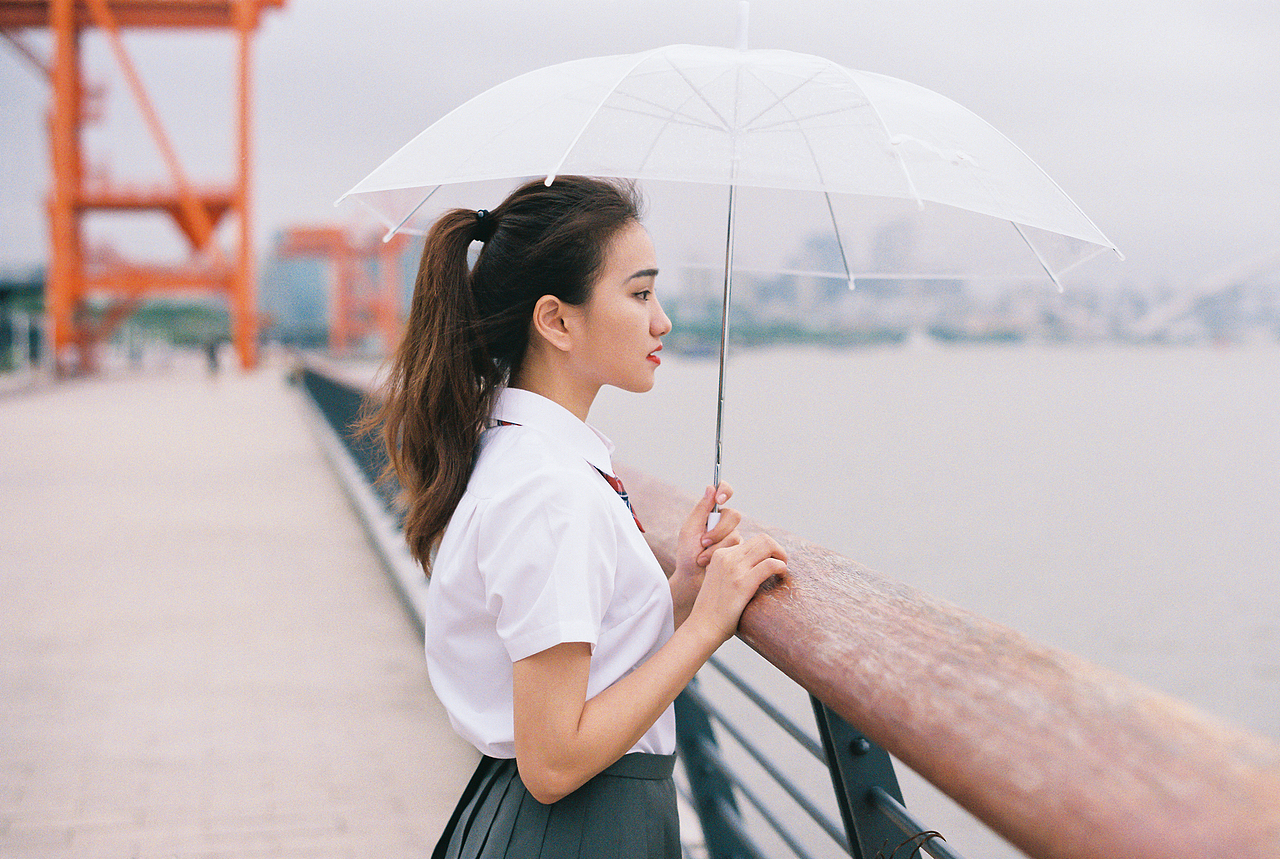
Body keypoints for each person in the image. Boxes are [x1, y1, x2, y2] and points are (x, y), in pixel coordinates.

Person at [363, 176, 787, 858]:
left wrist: (679, 591)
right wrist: (708, 625)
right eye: (640, 292)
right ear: (557, 319)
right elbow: (554, 761)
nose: (662, 320)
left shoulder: (528, 457)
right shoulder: (550, 491)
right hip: (579, 825)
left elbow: (590, 656)